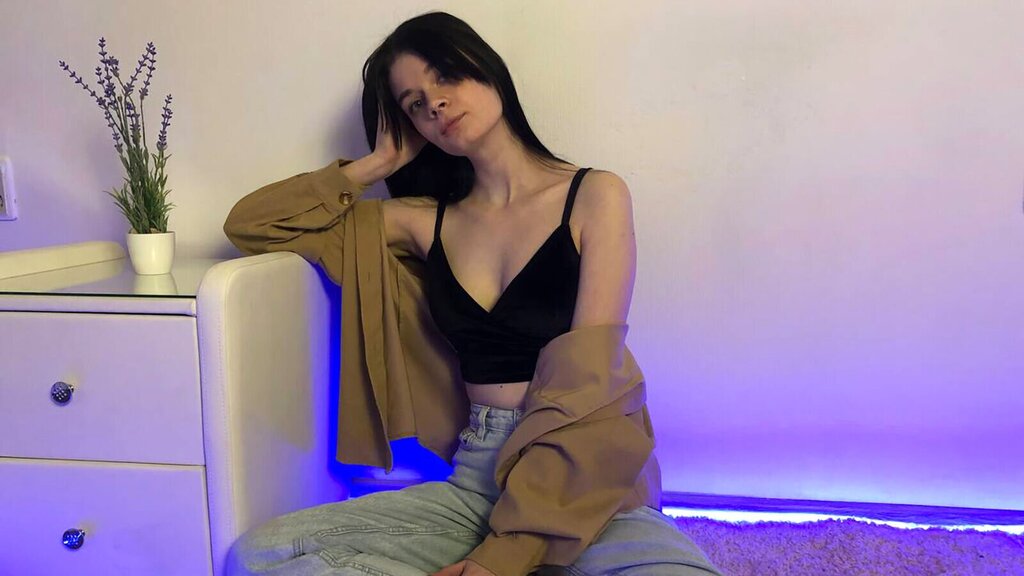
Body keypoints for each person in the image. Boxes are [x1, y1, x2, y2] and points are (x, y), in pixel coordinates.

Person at [223, 11, 721, 576]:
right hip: (476, 485)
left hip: (589, 478)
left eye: (444, 76)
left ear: (486, 67)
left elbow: (590, 385)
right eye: (414, 103)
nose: (434, 103)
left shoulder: (594, 195)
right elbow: (252, 226)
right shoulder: (423, 222)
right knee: (260, 555)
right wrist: (375, 164)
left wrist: (501, 557)